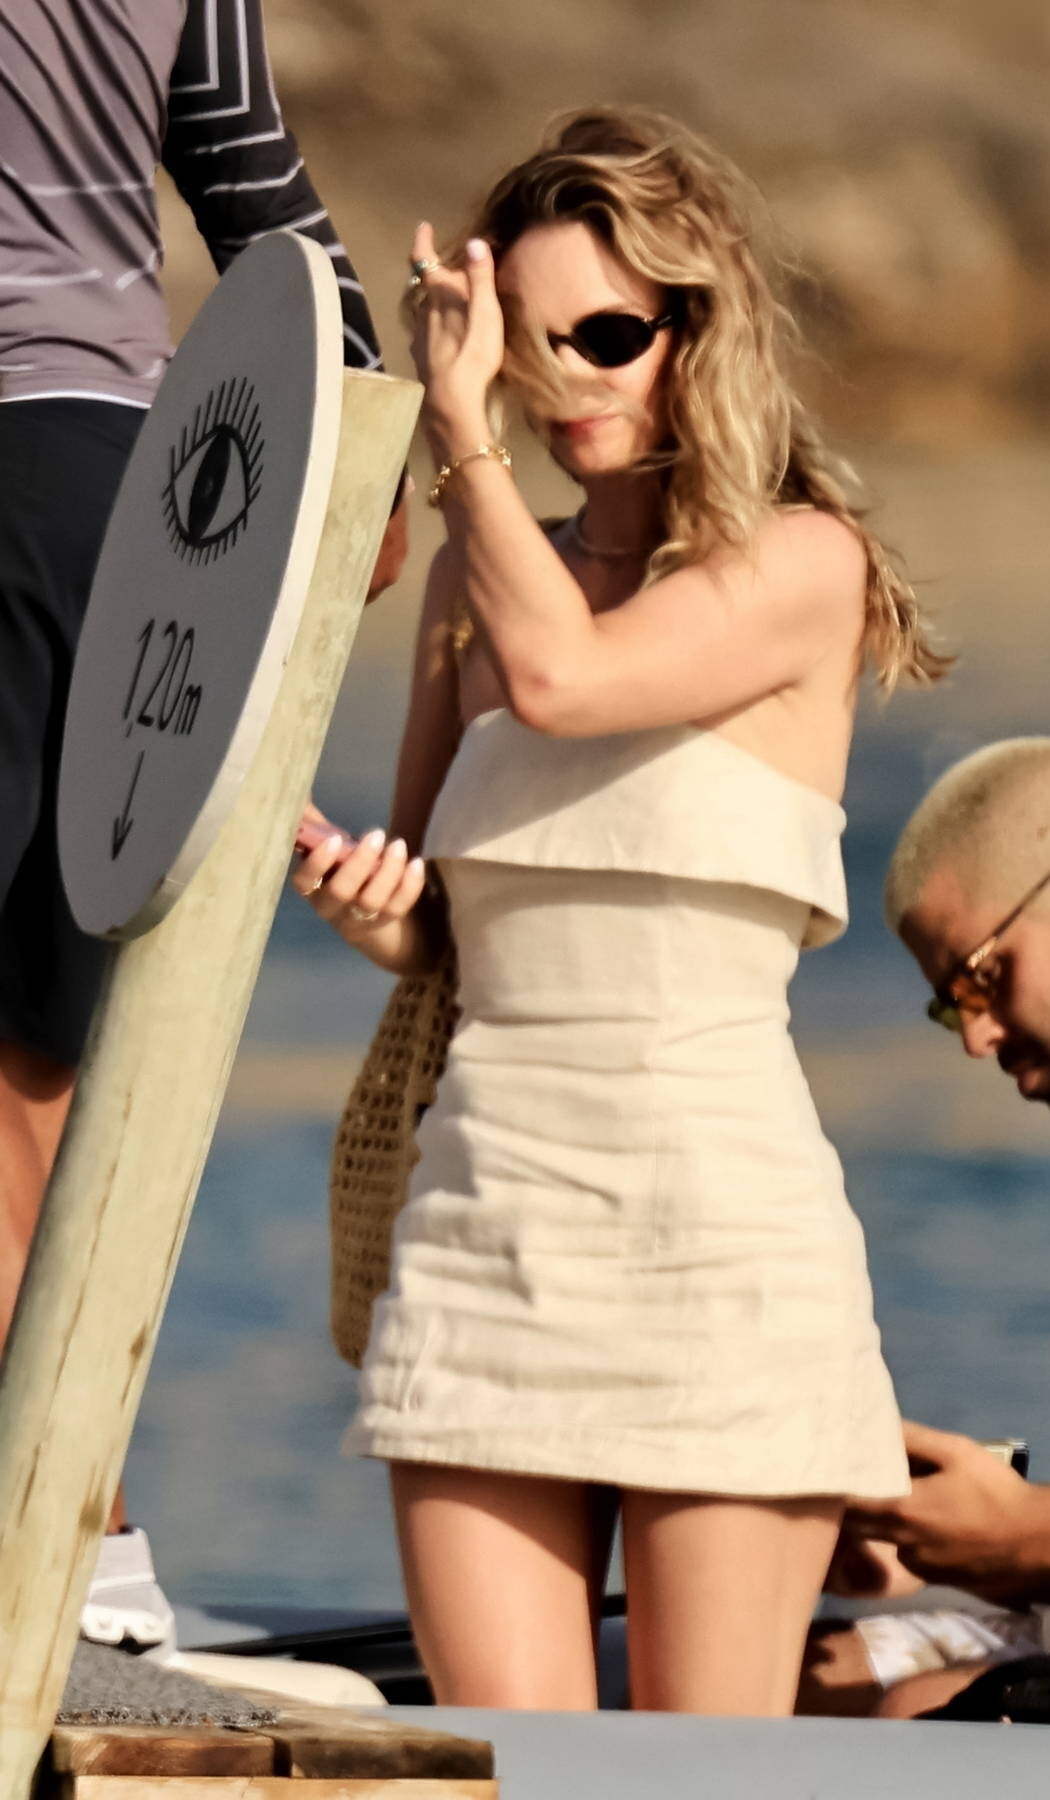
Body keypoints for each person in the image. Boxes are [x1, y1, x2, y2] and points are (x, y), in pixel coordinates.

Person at [295, 106, 947, 1716]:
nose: (566, 376)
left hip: (719, 1241)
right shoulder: (475, 584)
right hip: (482, 1230)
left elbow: (568, 681)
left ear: (693, 329)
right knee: (512, 1777)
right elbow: (443, 931)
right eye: (528, 341)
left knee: (700, 1784)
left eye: (606, 333)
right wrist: (366, 905)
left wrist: (455, 436)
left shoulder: (804, 565)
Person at [0, 0, 397, 1664]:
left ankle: (74, 1539)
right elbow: (263, 198)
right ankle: (81, 1528)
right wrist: (354, 487)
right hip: (127, 493)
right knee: (38, 1060)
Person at [797, 737, 1050, 1729]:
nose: (976, 1037)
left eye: (984, 978)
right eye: (951, 1008)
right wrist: (960, 1542)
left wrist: (1031, 1528)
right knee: (784, 1678)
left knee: (942, 1726)